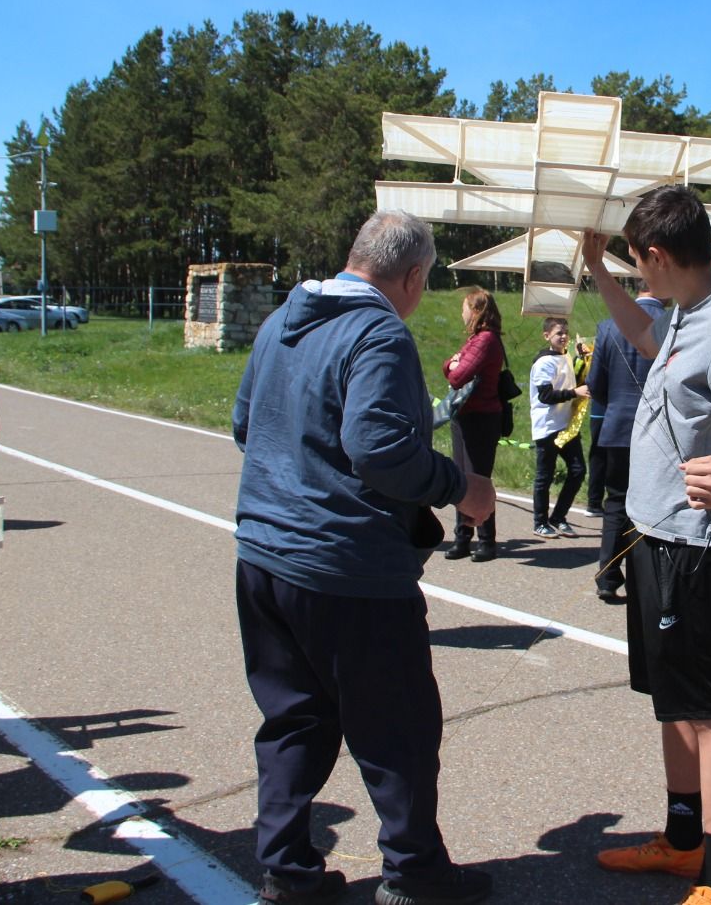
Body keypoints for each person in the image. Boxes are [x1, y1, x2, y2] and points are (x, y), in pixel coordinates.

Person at [232, 210, 496, 905]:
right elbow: (378, 449)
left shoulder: (282, 322)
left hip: (263, 554)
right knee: (398, 727)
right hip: (347, 570)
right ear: (412, 276)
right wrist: (458, 487)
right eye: (425, 281)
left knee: (293, 719)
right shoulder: (378, 331)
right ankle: (414, 875)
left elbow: (244, 424)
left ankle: (287, 871)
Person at [581, 186, 711, 905]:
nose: (641, 280)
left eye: (640, 267)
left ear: (662, 255)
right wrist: (598, 271)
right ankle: (682, 843)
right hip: (652, 534)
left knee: (710, 709)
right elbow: (644, 340)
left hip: (694, 549)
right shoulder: (682, 313)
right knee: (672, 702)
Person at [584, 286, 665, 602]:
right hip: (659, 429)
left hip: (617, 426)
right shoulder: (674, 321)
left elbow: (595, 385)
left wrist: (615, 405)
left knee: (615, 501)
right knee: (654, 503)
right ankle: (648, 577)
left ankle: (608, 574)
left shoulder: (608, 326)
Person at [441, 288, 505, 562]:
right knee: (461, 476)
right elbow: (449, 367)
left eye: (465, 307)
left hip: (481, 418)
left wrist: (454, 365)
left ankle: (487, 540)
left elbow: (457, 376)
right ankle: (463, 537)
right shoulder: (476, 339)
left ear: (476, 310)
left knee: (478, 478)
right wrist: (452, 364)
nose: (462, 312)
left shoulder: (485, 340)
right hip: (465, 415)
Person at [528, 317, 589, 539]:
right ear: (547, 336)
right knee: (545, 476)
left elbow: (571, 376)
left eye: (565, 332)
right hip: (547, 426)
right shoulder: (544, 363)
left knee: (578, 470)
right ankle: (540, 521)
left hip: (566, 425)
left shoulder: (564, 356)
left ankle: (558, 517)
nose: (563, 337)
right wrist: (575, 393)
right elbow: (545, 396)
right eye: (558, 333)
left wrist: (582, 358)